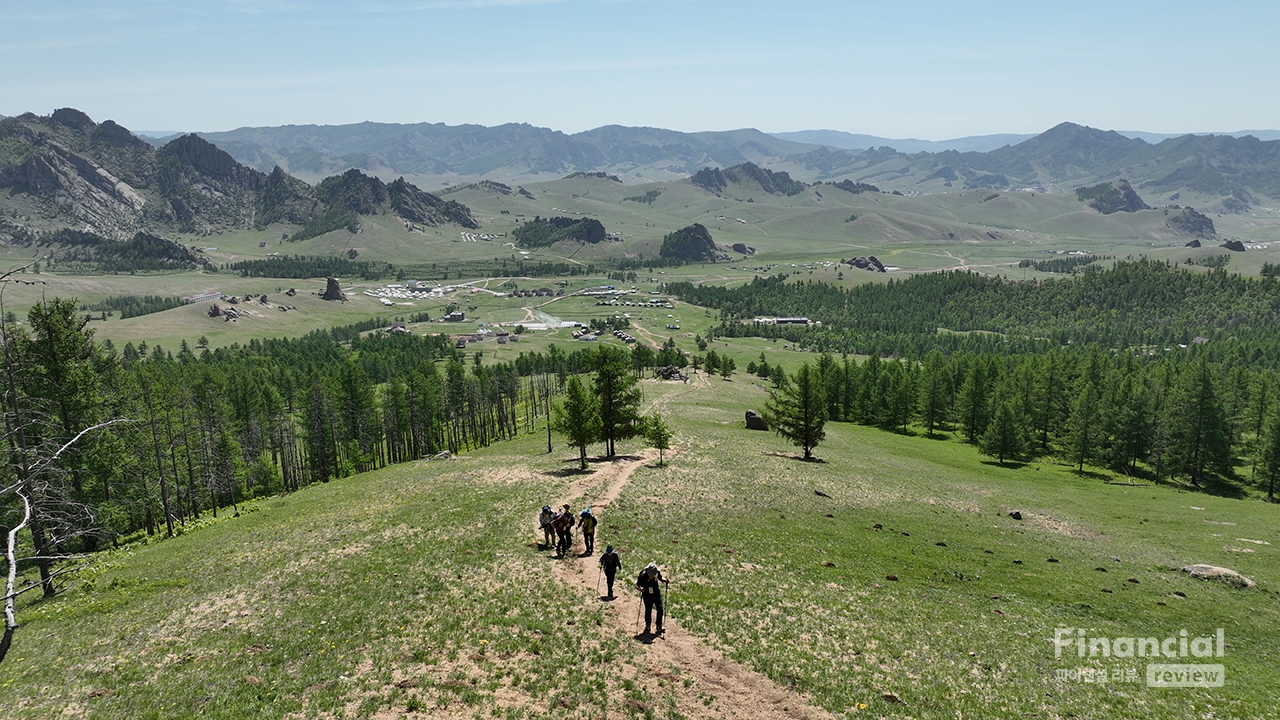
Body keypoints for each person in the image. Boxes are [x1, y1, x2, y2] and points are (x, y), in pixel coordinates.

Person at [635, 562, 669, 635]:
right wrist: (640, 589)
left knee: (660, 608)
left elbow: (660, 578)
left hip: (656, 594)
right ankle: (648, 625)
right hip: (647, 595)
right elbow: (637, 585)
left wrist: (665, 580)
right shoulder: (643, 575)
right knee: (648, 610)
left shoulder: (657, 572)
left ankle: (659, 626)